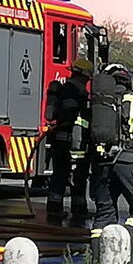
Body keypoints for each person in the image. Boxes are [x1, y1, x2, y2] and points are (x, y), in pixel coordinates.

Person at [89, 64, 133, 235]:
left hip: (102, 163)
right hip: (127, 161)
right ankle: (132, 258)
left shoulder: (98, 102)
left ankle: (97, 258)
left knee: (103, 216)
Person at [47, 58, 93, 218]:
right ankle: (57, 210)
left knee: (72, 176)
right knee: (66, 176)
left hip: (69, 140)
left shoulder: (73, 89)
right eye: (87, 77)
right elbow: (71, 114)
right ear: (83, 75)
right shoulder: (71, 90)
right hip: (70, 141)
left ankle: (76, 210)